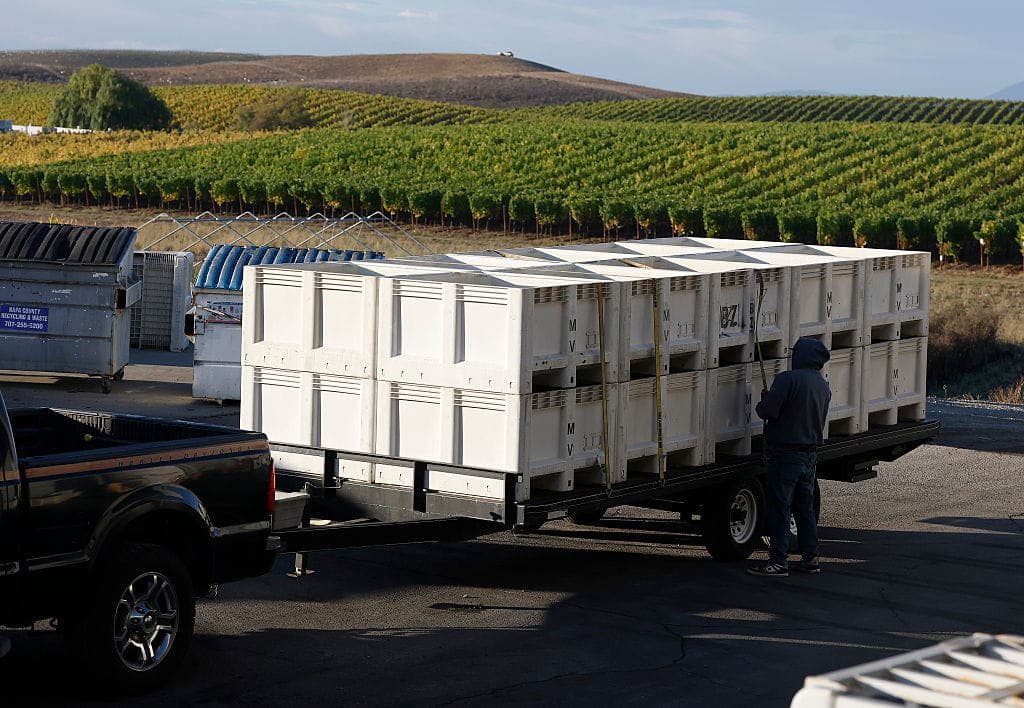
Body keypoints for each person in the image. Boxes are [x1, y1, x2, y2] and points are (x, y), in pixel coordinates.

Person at [748, 337, 832, 578]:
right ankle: (811, 558)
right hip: (810, 456)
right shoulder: (822, 385)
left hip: (786, 455)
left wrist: (765, 398)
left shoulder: (787, 379)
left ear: (801, 356)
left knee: (780, 508)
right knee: (804, 509)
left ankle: (778, 562)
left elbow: (767, 411)